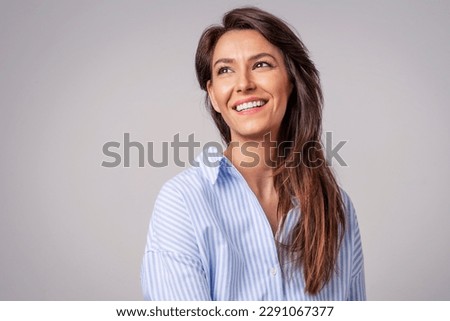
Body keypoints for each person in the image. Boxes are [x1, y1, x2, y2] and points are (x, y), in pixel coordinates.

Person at [141, 6, 365, 300]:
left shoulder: (335, 208)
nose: (244, 83)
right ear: (213, 96)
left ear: (291, 81)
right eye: (225, 70)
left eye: (261, 65)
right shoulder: (183, 201)